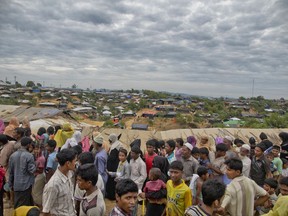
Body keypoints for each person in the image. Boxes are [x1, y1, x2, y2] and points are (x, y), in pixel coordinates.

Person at [42, 149, 77, 216]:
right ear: (68, 163)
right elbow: (46, 211)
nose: (75, 164)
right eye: (74, 161)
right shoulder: (54, 184)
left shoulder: (69, 174)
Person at [9, 137, 36, 208]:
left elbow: (11, 172)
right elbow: (32, 170)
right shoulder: (29, 156)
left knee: (18, 203)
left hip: (16, 184)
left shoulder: (13, 155)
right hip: (26, 184)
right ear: (28, 145)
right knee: (24, 205)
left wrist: (10, 184)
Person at [106, 133, 123, 200]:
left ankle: (111, 195)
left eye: (110, 140)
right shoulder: (118, 144)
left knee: (112, 182)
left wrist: (108, 155)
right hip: (116, 165)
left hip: (113, 166)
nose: (109, 141)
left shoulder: (114, 147)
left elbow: (112, 158)